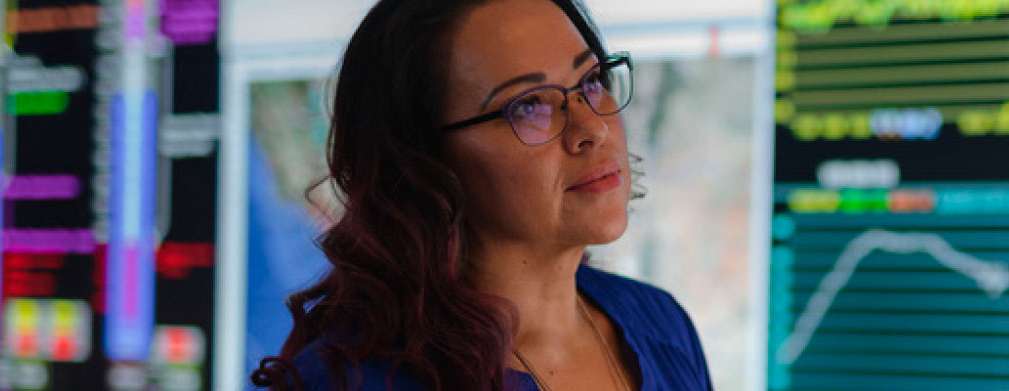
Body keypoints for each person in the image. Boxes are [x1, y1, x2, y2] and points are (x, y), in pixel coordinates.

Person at [247, 0, 711, 389]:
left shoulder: (661, 324)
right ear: (422, 159)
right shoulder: (353, 381)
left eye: (590, 82)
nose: (593, 128)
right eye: (528, 106)